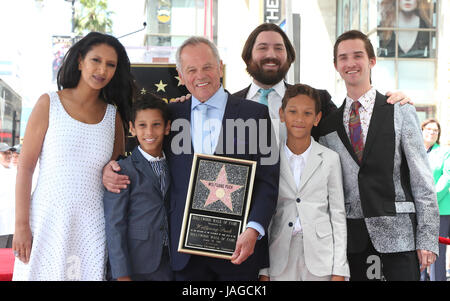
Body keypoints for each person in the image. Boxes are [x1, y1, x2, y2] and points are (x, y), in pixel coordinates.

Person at [103, 36, 280, 281]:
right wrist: (111, 168)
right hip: (184, 256)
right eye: (191, 70)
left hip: (238, 251)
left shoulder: (255, 115)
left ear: (220, 66)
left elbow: (268, 182)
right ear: (180, 75)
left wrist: (254, 230)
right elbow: (140, 153)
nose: (201, 75)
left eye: (207, 67)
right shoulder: (171, 116)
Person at [12, 32, 135, 281]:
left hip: (91, 226)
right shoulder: (49, 103)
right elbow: (25, 169)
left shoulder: (114, 117)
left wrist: (107, 173)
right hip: (46, 219)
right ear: (80, 61)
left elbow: (113, 173)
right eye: (95, 60)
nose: (102, 69)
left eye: (110, 64)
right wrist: (21, 225)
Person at [319, 30, 439, 281]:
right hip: (351, 241)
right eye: (343, 58)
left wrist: (427, 238)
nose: (350, 63)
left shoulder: (400, 110)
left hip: (399, 237)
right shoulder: (327, 125)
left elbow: (422, 179)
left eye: (357, 55)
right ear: (336, 66)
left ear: (372, 61)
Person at [178, 23, 411, 142]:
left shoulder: (317, 100)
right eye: (262, 48)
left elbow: (352, 128)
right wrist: (190, 100)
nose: (271, 54)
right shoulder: (227, 103)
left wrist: (388, 101)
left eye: (279, 48)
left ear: (289, 57)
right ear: (248, 56)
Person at [259, 84, 349, 281]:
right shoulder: (271, 159)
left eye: (307, 113)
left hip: (321, 258)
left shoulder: (330, 158)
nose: (299, 119)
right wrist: (263, 270)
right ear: (282, 114)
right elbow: (266, 214)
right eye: (292, 111)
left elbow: (337, 215)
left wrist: (339, 269)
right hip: (279, 257)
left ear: (317, 118)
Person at [103, 93, 173, 281]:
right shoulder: (121, 170)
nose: (149, 132)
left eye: (156, 124)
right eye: (142, 125)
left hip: (169, 264)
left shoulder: (174, 165)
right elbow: (114, 225)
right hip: (135, 265)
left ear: (167, 127)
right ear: (132, 129)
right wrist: (121, 275)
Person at [421, 118, 450, 281]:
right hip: (418, 209)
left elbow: (447, 177)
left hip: (441, 208)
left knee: (437, 252)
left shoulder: (445, 152)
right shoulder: (414, 151)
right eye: (429, 129)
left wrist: (431, 201)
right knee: (419, 252)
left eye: (435, 130)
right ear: (422, 130)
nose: (432, 132)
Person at [0, 143, 15, 248]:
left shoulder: (15, 171)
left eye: (10, 153)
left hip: (13, 226)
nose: (8, 156)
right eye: (5, 153)